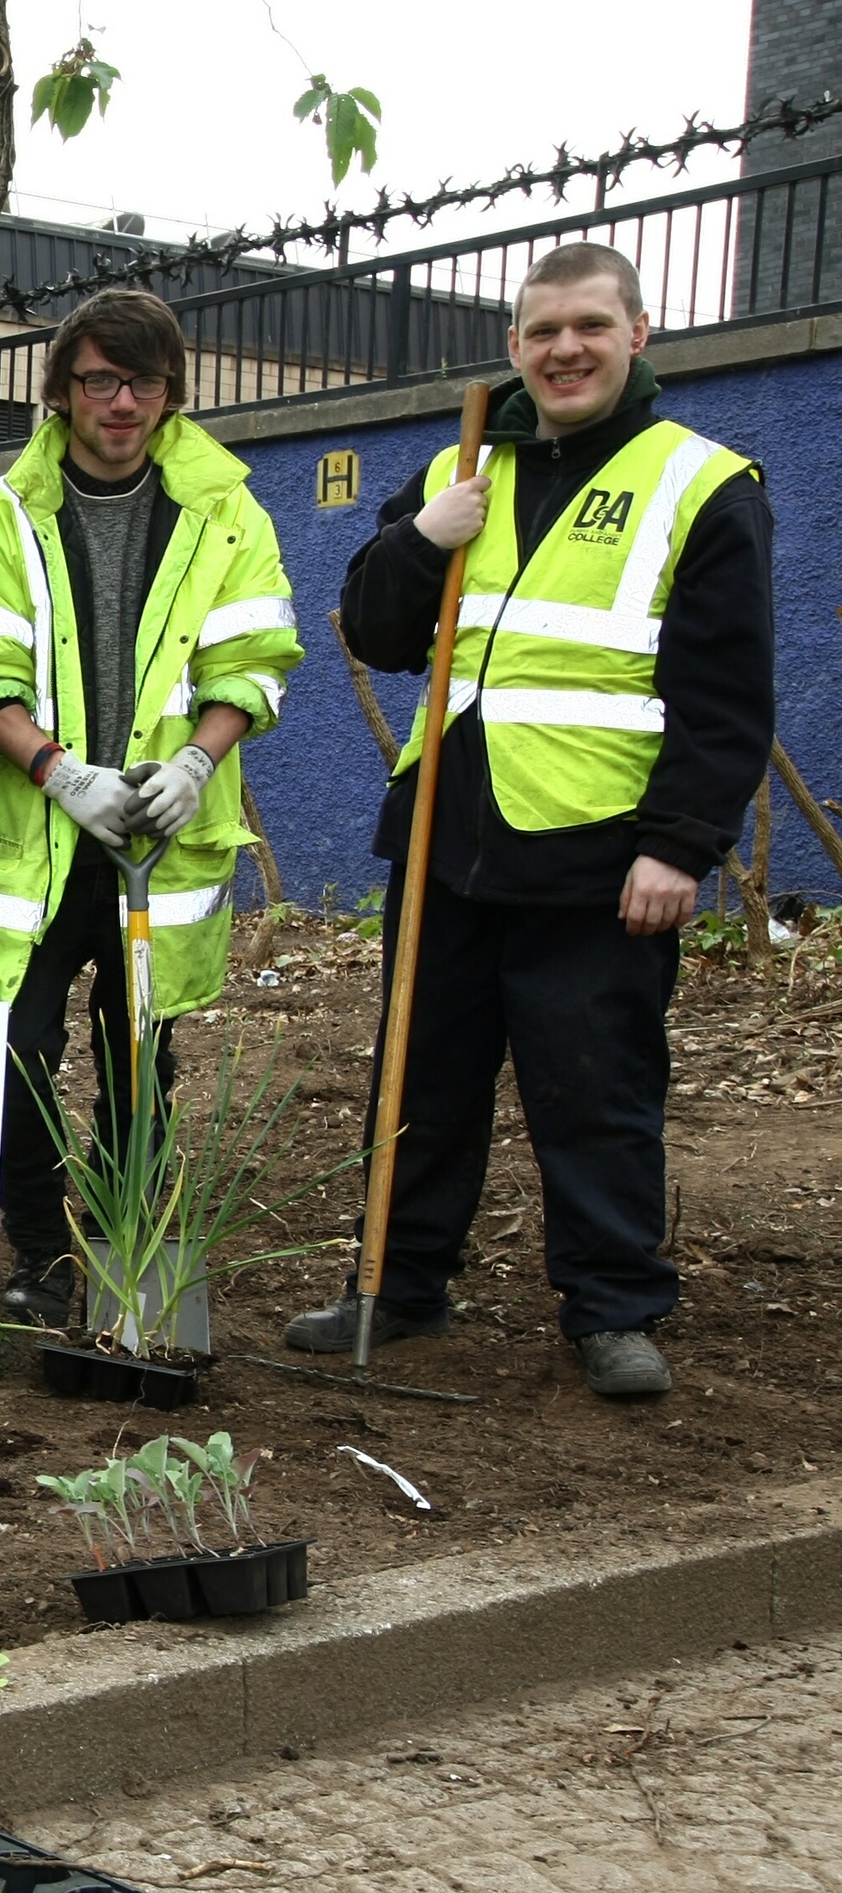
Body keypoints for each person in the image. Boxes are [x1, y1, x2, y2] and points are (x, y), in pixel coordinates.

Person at [286, 243, 774, 1399]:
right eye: (543, 330)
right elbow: (375, 627)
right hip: (447, 830)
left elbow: (728, 688)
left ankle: (612, 1309)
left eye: (590, 327)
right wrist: (419, 538)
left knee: (594, 1085)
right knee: (421, 1081)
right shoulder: (467, 464)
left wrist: (680, 844)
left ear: (638, 336)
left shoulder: (700, 482)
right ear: (513, 345)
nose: (565, 350)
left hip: (599, 847)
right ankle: (399, 1288)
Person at [0, 290, 303, 1326]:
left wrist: (198, 764)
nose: (122, 403)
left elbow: (252, 659)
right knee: (19, 1051)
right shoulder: (4, 510)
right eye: (100, 381)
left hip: (161, 833)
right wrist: (62, 774)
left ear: (171, 394)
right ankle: (39, 1256)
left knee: (137, 1050)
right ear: (60, 390)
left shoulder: (225, 511)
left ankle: (125, 1252)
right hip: (42, 837)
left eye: (143, 382)